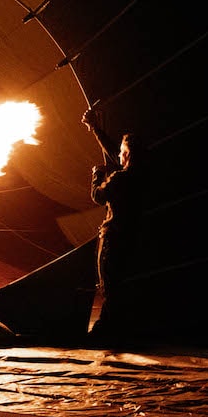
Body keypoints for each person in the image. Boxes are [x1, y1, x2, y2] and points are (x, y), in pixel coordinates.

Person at [89, 130, 140, 339]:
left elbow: (98, 196)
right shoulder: (141, 176)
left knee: (108, 285)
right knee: (117, 285)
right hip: (130, 237)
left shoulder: (119, 179)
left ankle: (107, 331)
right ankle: (109, 327)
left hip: (112, 238)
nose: (118, 156)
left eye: (122, 152)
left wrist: (97, 176)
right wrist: (97, 130)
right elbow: (113, 154)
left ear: (127, 155)